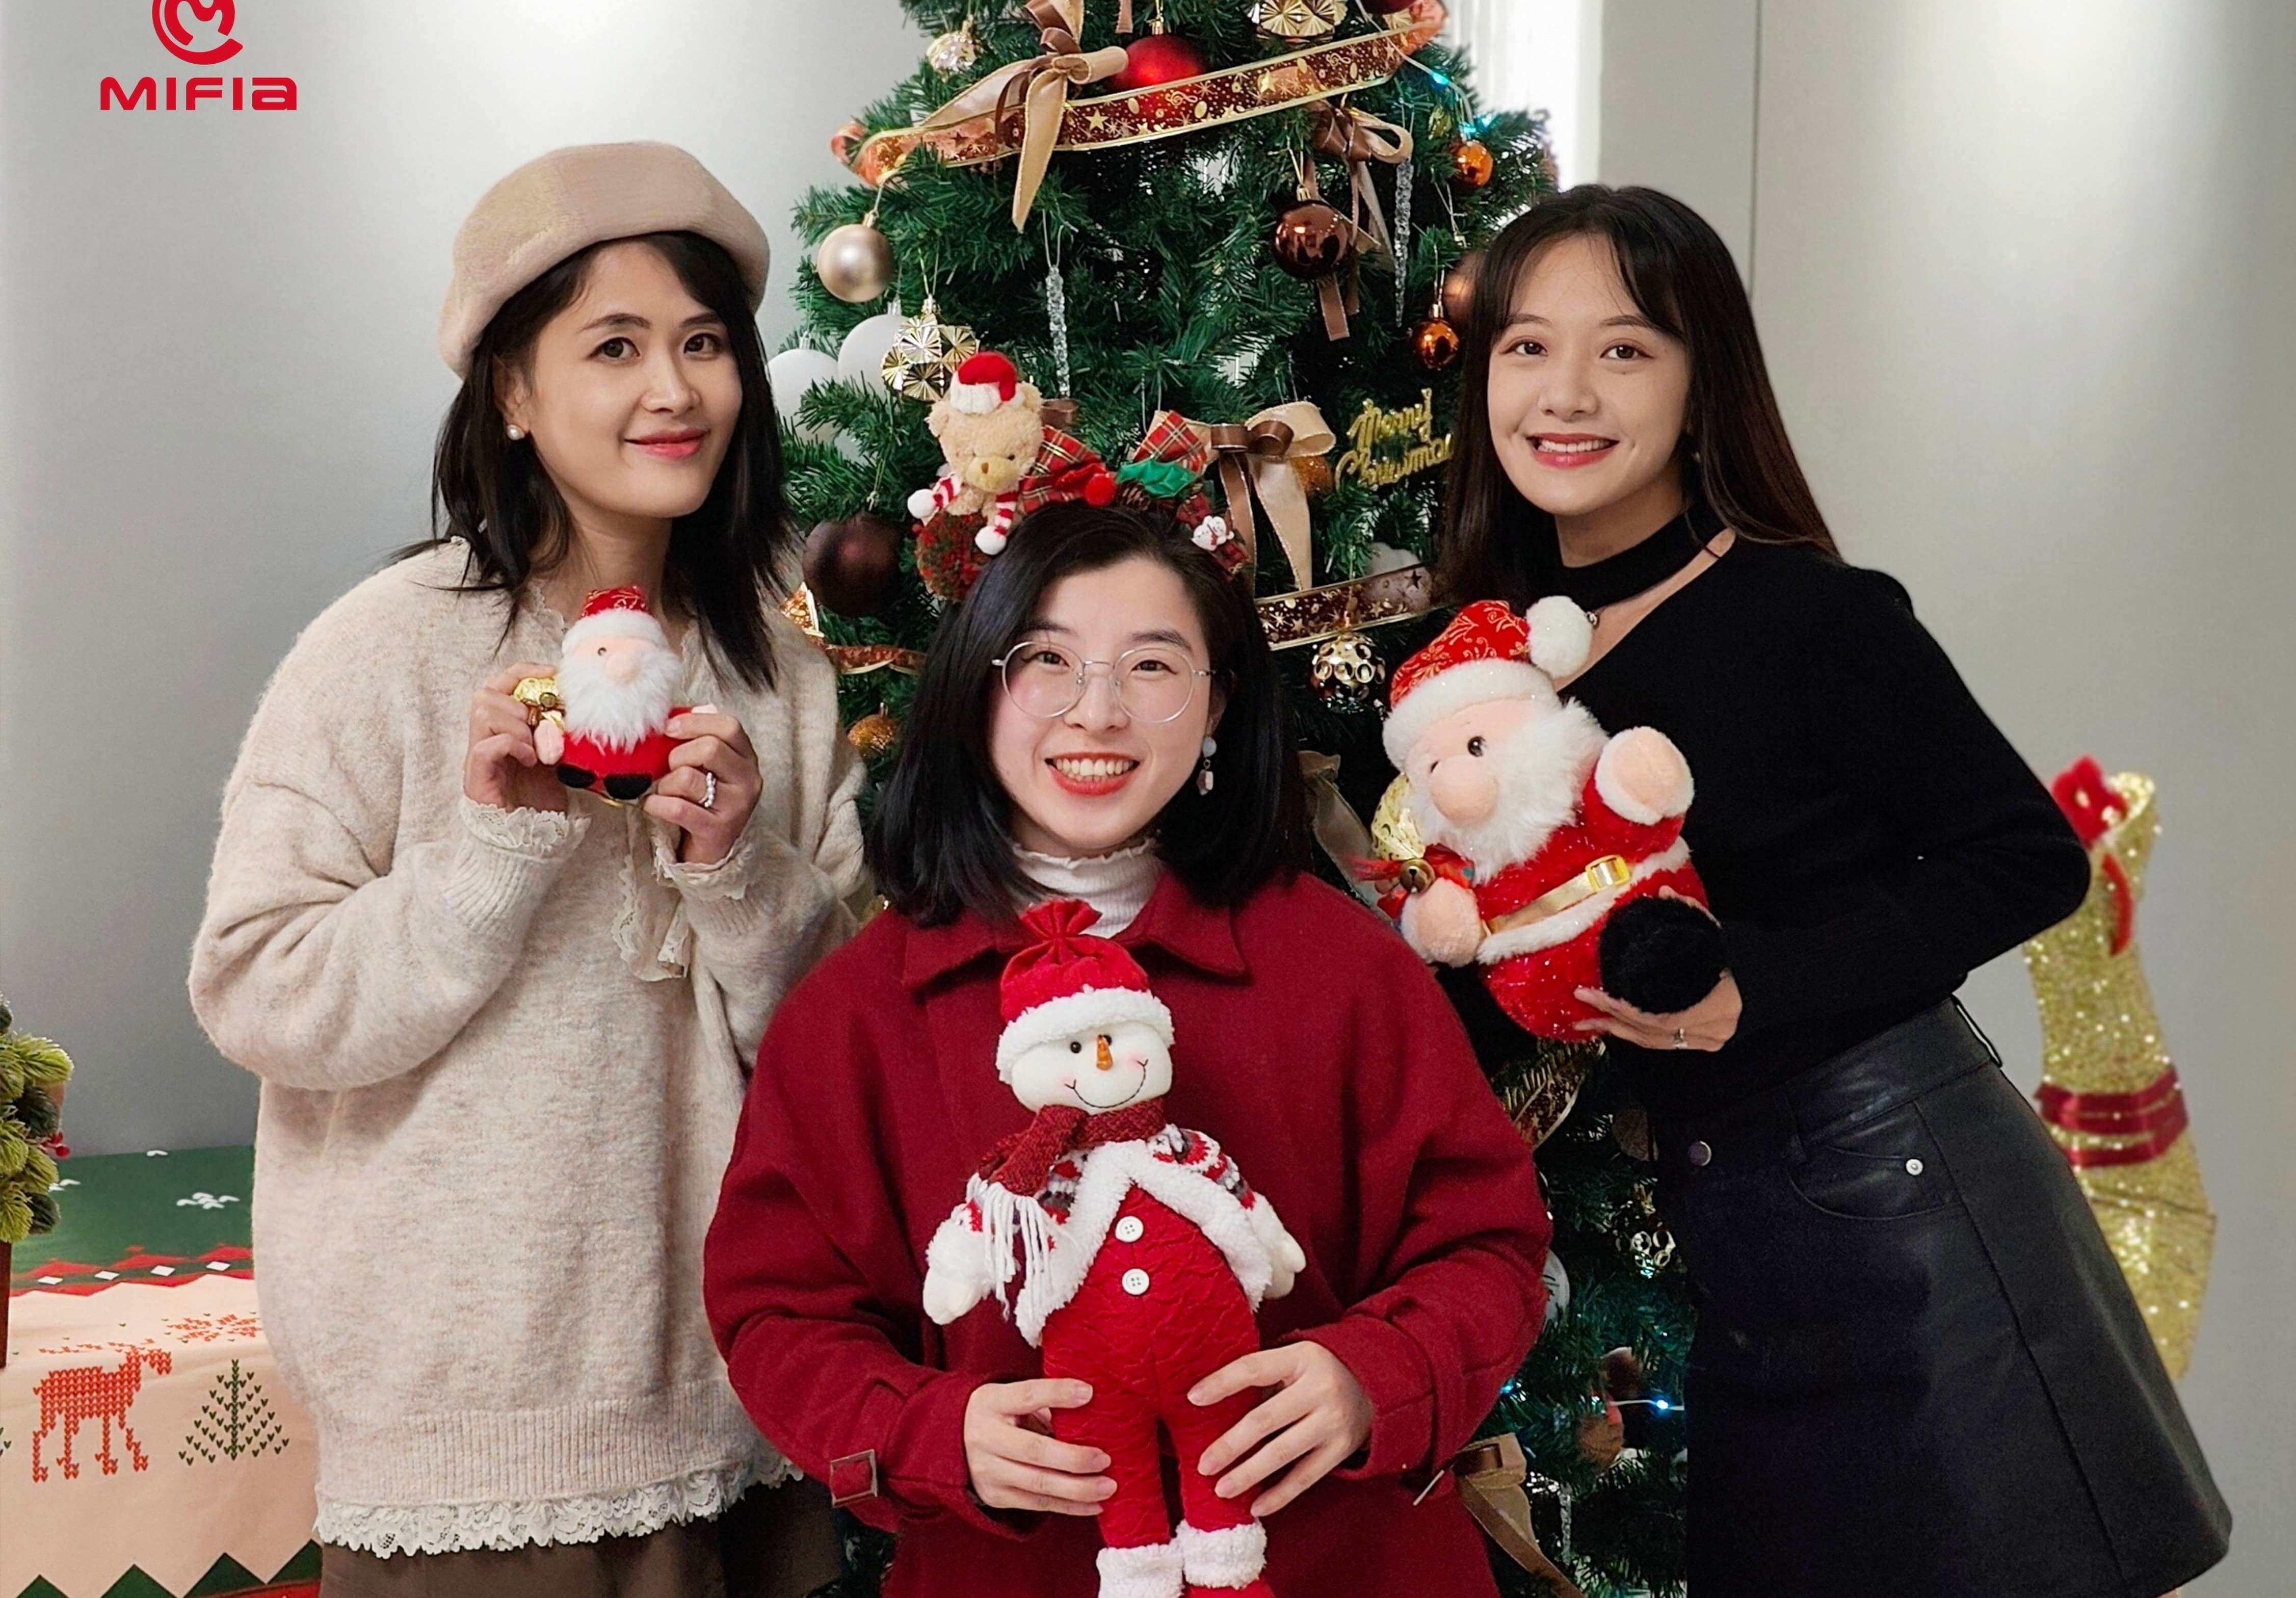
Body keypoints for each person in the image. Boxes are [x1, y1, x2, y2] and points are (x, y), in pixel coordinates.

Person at [1434, 182, 2230, 1598]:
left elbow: (2027, 856)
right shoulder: (1489, 668)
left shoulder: (1807, 614)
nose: (1567, 394)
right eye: (1526, 348)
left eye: (1624, 350)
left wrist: (1762, 979)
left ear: (1702, 384)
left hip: (1902, 1209)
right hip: (1732, 1247)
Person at [191, 143, 864, 1596]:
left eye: (702, 343)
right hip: (468, 1443)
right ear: (511, 389)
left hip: (745, 1408)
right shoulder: (385, 647)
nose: (671, 389)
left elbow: (850, 1052)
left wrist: (740, 874)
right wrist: (487, 854)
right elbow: (254, 989)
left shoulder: (781, 673)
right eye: (613, 346)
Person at [703, 501, 1550, 1597]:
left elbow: (1487, 1243)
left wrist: (1373, 1377)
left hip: (1346, 1565)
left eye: (1152, 666)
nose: (1096, 711)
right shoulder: (855, 1014)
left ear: (1217, 703)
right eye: (1046, 660)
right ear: (978, 690)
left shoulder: (1342, 964)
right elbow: (778, 1314)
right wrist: (929, 1434)